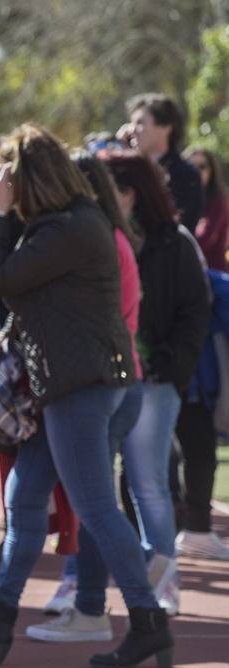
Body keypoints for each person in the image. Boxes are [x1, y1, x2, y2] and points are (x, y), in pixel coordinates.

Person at [0, 124, 171, 668]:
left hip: (81, 387)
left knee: (93, 506)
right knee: (22, 495)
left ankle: (147, 616)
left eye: (10, 175)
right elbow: (32, 291)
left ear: (32, 179)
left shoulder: (69, 228)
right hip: (68, 384)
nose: (2, 183)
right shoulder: (65, 224)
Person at [28, 150, 147, 637]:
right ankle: (94, 606)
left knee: (96, 507)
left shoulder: (92, 239)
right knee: (91, 505)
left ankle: (144, 592)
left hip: (96, 384)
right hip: (112, 381)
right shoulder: (107, 235)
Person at [102, 150, 213, 614]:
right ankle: (89, 581)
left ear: (129, 193)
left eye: (104, 188)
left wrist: (171, 366)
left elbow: (195, 310)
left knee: (148, 480)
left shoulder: (176, 241)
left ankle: (163, 580)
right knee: (100, 483)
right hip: (105, 375)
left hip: (156, 379)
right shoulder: (98, 237)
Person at [175, 147, 229, 561]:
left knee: (197, 433)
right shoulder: (169, 236)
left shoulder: (217, 213)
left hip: (204, 340)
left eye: (202, 168)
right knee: (164, 441)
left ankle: (193, 522)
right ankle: (174, 525)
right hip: (172, 349)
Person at [125, 93, 203, 230]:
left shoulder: (185, 175)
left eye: (140, 123)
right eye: (132, 123)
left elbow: (179, 228)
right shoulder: (128, 170)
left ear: (166, 127)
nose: (132, 130)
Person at [185, 146, 228, 272]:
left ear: (211, 171)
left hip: (211, 272)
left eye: (202, 166)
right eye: (191, 166)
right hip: (186, 271)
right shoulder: (180, 198)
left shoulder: (218, 201)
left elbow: (205, 239)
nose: (197, 171)